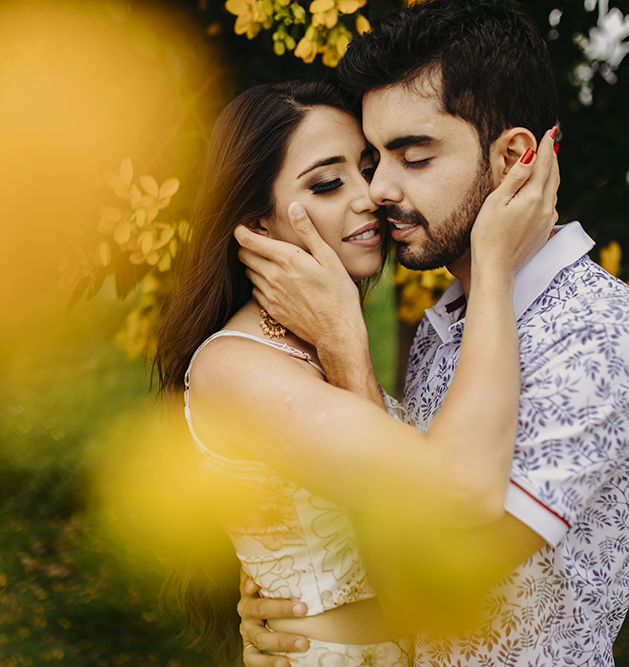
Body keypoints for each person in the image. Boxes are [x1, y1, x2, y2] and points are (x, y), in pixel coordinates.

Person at [234, 1, 629, 665]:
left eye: (413, 158)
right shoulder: (453, 320)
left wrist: (349, 355)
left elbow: (436, 591)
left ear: (515, 157)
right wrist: (303, 618)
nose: (379, 189)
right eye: (373, 158)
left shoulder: (598, 332)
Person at [153, 77, 560, 666]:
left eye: (366, 168)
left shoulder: (312, 343)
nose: (370, 194)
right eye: (326, 182)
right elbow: (460, 489)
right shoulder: (235, 369)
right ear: (257, 221)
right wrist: (493, 261)